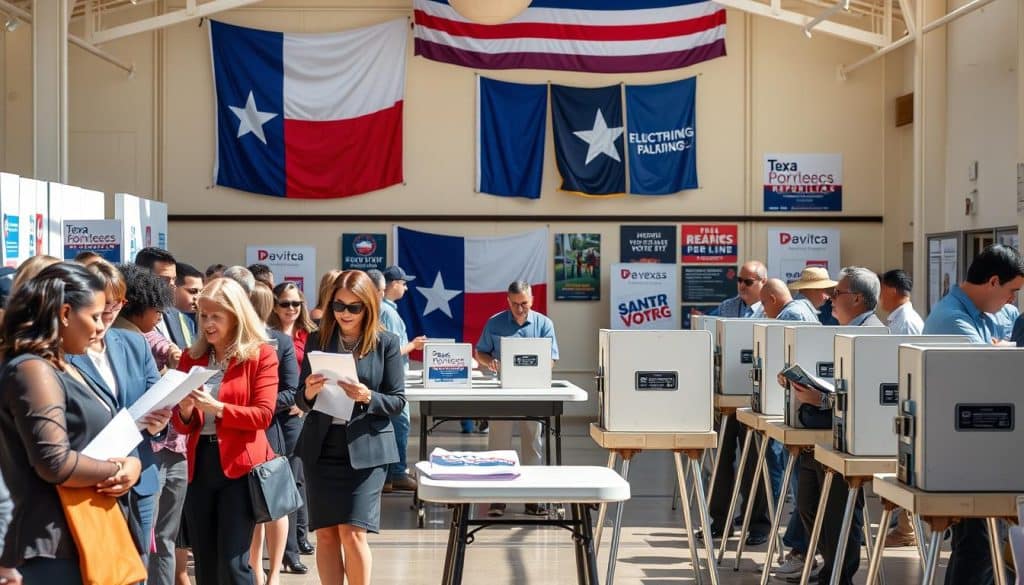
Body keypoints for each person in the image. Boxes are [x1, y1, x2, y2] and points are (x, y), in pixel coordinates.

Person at [0, 263, 142, 582]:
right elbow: (54, 462)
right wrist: (115, 470)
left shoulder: (62, 366)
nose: (98, 327)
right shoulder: (32, 370)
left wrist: (130, 464)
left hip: (80, 537)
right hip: (48, 547)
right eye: (94, 316)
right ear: (65, 313)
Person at [295, 270, 406, 585]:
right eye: (338, 306)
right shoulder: (318, 339)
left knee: (353, 532)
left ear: (368, 306)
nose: (344, 313)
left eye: (353, 307)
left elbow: (397, 401)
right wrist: (309, 393)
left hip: (365, 448)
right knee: (327, 534)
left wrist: (368, 396)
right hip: (322, 447)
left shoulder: (386, 342)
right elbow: (301, 400)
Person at [923, 244, 1024, 585]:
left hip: (969, 450)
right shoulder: (953, 319)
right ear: (993, 282)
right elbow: (990, 380)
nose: (1011, 302)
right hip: (962, 453)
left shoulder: (972, 315)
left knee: (977, 547)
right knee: (977, 547)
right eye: (1012, 292)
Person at [172, 277, 279, 585]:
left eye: (215, 315)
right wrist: (187, 411)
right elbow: (181, 424)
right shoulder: (191, 358)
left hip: (240, 469)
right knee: (205, 561)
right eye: (203, 315)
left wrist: (216, 408)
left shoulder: (260, 355)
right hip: (199, 466)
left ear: (236, 316)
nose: (207, 323)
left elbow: (263, 415)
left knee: (232, 565)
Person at [66, 260, 171, 568]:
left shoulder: (134, 343)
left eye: (118, 303)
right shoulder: (66, 352)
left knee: (137, 567)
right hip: (90, 478)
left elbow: (156, 397)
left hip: (140, 480)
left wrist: (160, 424)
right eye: (104, 305)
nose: (110, 313)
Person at [789, 267, 885, 585]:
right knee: (808, 504)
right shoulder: (842, 332)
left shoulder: (872, 336)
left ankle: (838, 574)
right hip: (824, 435)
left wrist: (822, 401)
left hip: (848, 440)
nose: (830, 299)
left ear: (857, 299)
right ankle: (830, 566)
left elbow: (866, 400)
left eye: (837, 293)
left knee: (838, 512)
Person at [475, 281, 559, 518]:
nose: (520, 309)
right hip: (503, 392)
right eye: (515, 304)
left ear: (531, 299)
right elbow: (480, 351)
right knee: (498, 445)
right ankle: (498, 499)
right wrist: (487, 361)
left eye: (524, 303)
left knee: (532, 443)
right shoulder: (495, 322)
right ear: (508, 301)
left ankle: (532, 498)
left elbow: (553, 358)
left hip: (533, 392)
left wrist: (540, 367)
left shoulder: (544, 324)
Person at [703, 260, 771, 545]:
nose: (742, 286)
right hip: (726, 397)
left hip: (756, 399)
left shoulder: (772, 312)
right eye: (739, 280)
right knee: (720, 461)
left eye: (749, 281)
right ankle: (720, 522)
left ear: (763, 284)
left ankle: (757, 525)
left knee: (756, 462)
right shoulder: (727, 307)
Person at [759, 278, 820, 579]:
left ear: (771, 297)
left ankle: (801, 550)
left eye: (763, 303)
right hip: (805, 411)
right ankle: (802, 549)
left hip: (803, 413)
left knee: (801, 487)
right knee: (803, 489)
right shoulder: (804, 310)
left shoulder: (791, 317)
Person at [245, 281, 306, 582]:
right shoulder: (234, 340)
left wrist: (260, 404)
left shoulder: (279, 343)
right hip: (241, 431)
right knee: (253, 506)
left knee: (276, 502)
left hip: (268, 431)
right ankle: (256, 567)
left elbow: (292, 391)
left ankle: (275, 570)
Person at [268, 281, 317, 557]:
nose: (291, 309)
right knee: (280, 478)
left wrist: (304, 403)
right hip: (273, 411)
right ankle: (287, 547)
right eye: (285, 303)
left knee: (298, 476)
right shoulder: (268, 335)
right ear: (275, 305)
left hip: (300, 411)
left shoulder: (309, 335)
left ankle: (300, 537)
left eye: (296, 303)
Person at [378, 266, 426, 492]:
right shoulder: (387, 312)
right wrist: (414, 345)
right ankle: (396, 473)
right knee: (400, 425)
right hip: (394, 378)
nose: (406, 287)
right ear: (391, 284)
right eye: (403, 283)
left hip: (388, 377)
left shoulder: (385, 310)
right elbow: (393, 350)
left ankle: (389, 474)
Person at [115, 263, 181, 371]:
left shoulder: (142, 331)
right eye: (158, 311)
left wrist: (170, 351)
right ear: (139, 306)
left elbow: (155, 340)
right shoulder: (131, 340)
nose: (160, 318)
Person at [136, 247, 195, 349]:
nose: (172, 285)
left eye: (174, 279)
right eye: (164, 279)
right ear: (142, 279)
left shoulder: (181, 318)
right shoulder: (123, 319)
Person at [879, 269, 923, 335]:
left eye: (881, 289)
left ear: (892, 291)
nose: (879, 295)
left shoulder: (905, 324)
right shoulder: (902, 319)